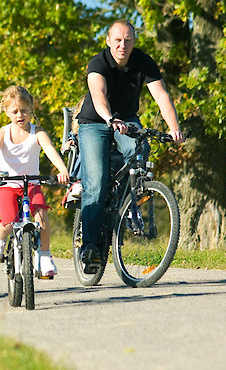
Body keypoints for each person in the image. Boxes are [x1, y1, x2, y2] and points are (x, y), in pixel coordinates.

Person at [77, 19, 185, 274]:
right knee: (96, 183)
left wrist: (174, 129)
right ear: (108, 41)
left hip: (126, 119)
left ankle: (128, 197)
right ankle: (90, 247)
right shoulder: (98, 63)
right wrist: (109, 119)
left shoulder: (143, 62)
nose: (122, 45)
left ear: (134, 42)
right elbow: (98, 95)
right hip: (95, 122)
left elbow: (161, 96)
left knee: (140, 149)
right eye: (117, 40)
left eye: (127, 40)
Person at [0, 86, 69, 277]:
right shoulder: (3, 133)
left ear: (31, 110)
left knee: (41, 216)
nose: (20, 115)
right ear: (7, 112)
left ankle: (44, 255)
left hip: (31, 184)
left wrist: (62, 170)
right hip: (8, 185)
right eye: (15, 111)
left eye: (24, 111)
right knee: (9, 223)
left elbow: (50, 150)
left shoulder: (37, 132)